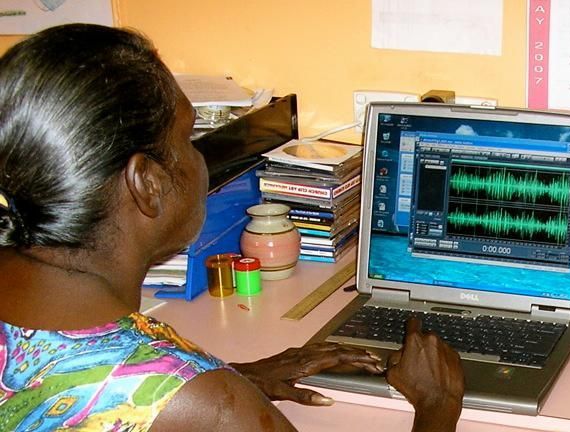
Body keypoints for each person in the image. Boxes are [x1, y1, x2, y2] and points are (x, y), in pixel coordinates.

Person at [0, 24, 464, 431]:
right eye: (188, 138)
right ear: (146, 182)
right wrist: (438, 406)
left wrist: (230, 375)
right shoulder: (211, 408)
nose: (201, 157)